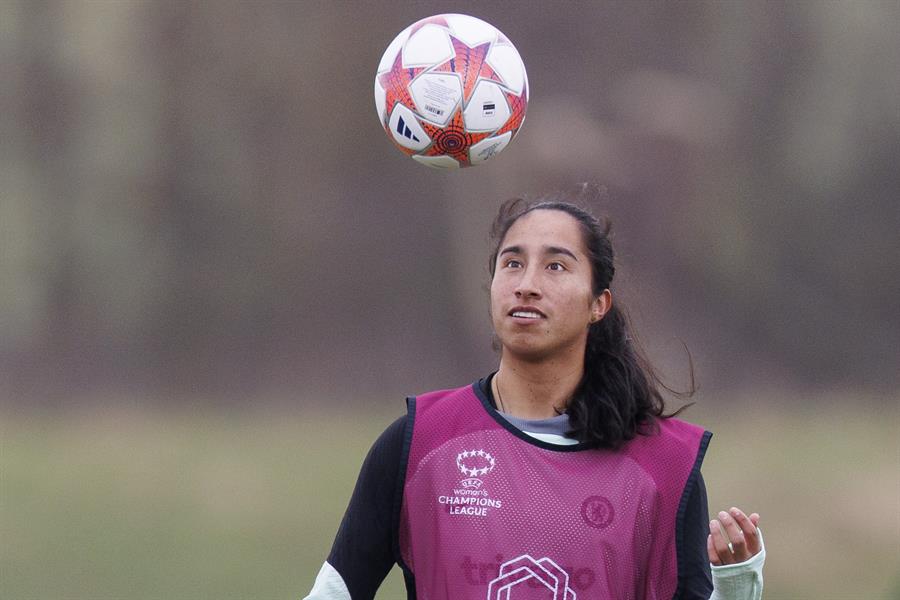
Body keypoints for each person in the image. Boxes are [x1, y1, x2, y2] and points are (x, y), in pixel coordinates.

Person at [304, 194, 766, 600]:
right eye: (512, 263)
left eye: (555, 266)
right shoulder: (420, 442)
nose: (526, 283)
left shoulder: (661, 467)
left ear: (597, 304)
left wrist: (737, 589)